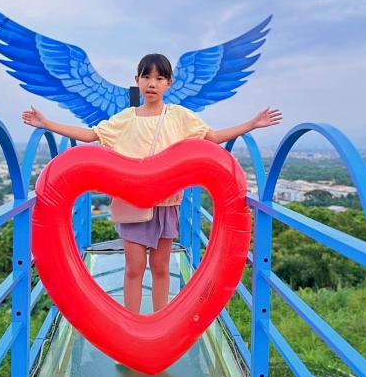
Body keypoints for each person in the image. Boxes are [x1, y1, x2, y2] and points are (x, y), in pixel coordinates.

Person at [21, 53, 282, 315]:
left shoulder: (180, 117)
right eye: (146, 76)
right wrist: (46, 124)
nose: (152, 83)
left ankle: (159, 324)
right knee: (134, 269)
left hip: (167, 204)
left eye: (159, 78)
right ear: (137, 80)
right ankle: (130, 328)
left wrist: (252, 124)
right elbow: (91, 135)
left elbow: (211, 137)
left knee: (160, 268)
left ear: (169, 82)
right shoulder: (126, 118)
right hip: (131, 204)